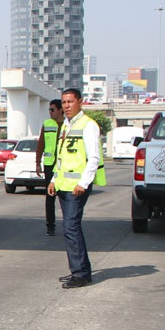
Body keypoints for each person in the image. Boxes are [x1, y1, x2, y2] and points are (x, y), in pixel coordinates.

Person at [47, 88, 105, 289]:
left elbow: (93, 158)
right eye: (64, 102)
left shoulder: (89, 126)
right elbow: (61, 156)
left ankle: (80, 274)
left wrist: (84, 183)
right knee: (70, 228)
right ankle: (83, 271)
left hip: (76, 187)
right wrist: (54, 179)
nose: (66, 106)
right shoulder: (66, 125)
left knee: (71, 228)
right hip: (64, 185)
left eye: (70, 102)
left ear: (80, 102)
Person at [35, 99, 62, 235]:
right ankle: (50, 226)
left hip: (64, 165)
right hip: (50, 164)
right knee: (50, 196)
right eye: (49, 110)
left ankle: (69, 224)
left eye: (52, 110)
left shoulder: (69, 125)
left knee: (65, 196)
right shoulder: (47, 124)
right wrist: (37, 162)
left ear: (60, 110)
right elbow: (41, 144)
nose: (50, 112)